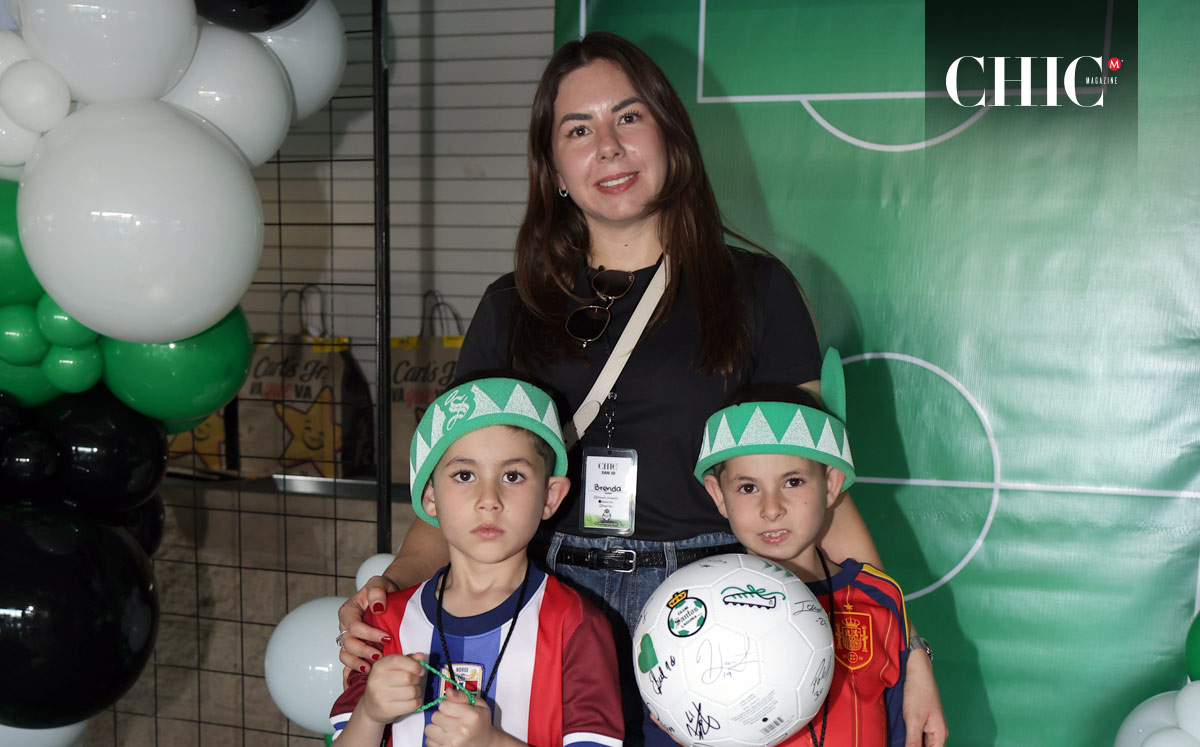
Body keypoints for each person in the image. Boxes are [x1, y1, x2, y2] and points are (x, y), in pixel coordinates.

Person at [339, 31, 946, 747]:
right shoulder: (511, 305)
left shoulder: (758, 292)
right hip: (543, 607)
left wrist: (908, 649)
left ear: (671, 138)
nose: (608, 146)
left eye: (628, 117)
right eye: (578, 129)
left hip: (716, 618)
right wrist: (392, 591)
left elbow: (816, 493)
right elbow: (458, 484)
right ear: (553, 167)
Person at [328, 377, 624, 747]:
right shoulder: (385, 624)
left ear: (550, 496)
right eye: (464, 475)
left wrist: (493, 743)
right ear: (430, 497)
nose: (489, 499)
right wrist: (370, 714)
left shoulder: (575, 625)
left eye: (512, 476)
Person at [693, 353, 909, 746]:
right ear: (718, 495)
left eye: (793, 482)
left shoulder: (877, 600)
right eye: (748, 487)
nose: (771, 508)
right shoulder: (701, 614)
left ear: (831, 485)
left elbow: (900, 724)